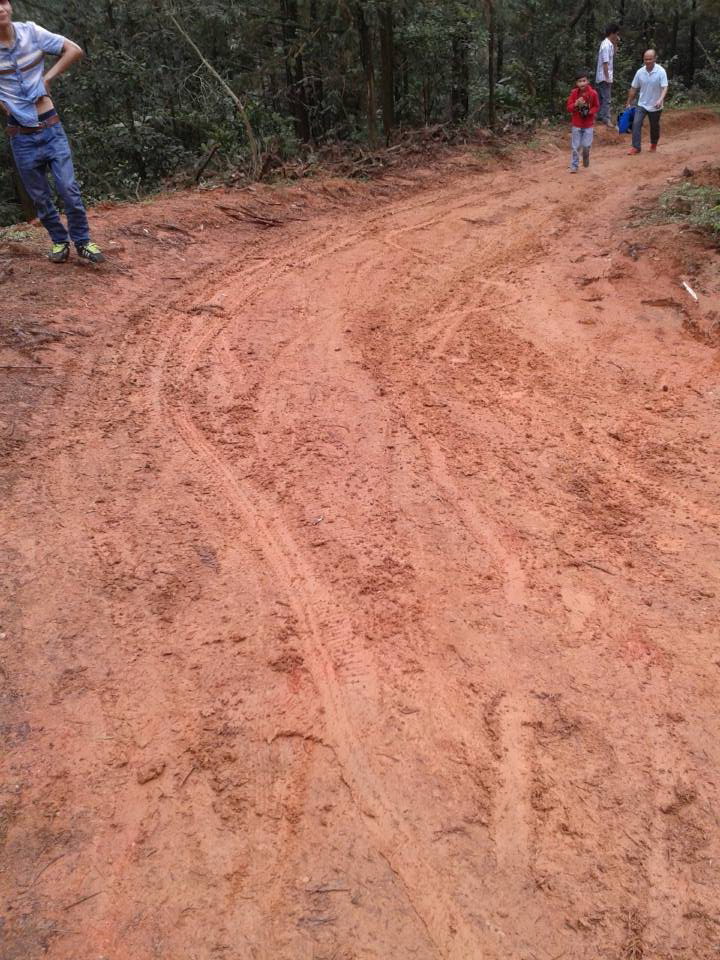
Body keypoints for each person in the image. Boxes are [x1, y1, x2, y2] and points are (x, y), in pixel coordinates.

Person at [0, 0, 104, 263]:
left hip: (50, 126)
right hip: (20, 135)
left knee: (68, 188)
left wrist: (47, 78)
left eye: (3, 2)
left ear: (10, 5)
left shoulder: (31, 32)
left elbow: (73, 49)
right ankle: (59, 241)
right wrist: (5, 105)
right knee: (40, 197)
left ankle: (83, 241)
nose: (0, 9)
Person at [625, 50, 669, 155]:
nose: (648, 61)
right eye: (646, 59)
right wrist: (628, 102)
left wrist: (660, 99)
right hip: (642, 104)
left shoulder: (661, 71)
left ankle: (653, 144)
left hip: (656, 105)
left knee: (654, 126)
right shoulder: (640, 72)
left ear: (655, 59)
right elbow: (633, 88)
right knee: (636, 123)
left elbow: (665, 87)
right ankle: (636, 147)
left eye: (650, 59)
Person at [566, 70, 599, 174]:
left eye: (584, 80)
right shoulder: (574, 93)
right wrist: (576, 104)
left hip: (588, 124)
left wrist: (589, 112)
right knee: (575, 146)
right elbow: (569, 107)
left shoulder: (593, 93)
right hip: (576, 124)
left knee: (586, 145)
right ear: (577, 83)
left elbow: (596, 106)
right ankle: (574, 166)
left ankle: (585, 156)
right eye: (580, 81)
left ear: (587, 81)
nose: (582, 83)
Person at [595, 23, 620, 126]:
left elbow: (614, 54)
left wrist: (615, 43)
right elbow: (605, 63)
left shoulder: (609, 44)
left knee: (601, 97)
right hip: (604, 77)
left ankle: (600, 116)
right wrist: (607, 78)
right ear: (612, 33)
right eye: (616, 33)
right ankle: (606, 118)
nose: (617, 36)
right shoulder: (605, 45)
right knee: (607, 98)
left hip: (604, 76)